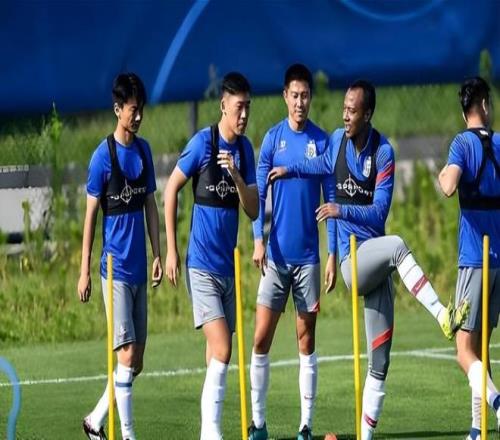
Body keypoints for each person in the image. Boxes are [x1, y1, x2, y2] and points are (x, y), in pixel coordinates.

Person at [268, 79, 469, 439]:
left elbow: (378, 214)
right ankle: (442, 315)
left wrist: (340, 209)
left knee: (380, 361)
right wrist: (289, 169)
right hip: (353, 263)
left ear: (368, 114)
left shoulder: (384, 153)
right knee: (398, 246)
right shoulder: (337, 141)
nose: (345, 115)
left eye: (352, 110)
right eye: (344, 108)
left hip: (377, 263)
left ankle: (364, 436)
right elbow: (319, 163)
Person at [164, 72, 258, 440]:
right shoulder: (203, 143)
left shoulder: (245, 151)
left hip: (227, 270)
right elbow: (170, 190)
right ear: (223, 105)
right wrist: (172, 251)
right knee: (223, 348)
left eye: (248, 107)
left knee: (214, 354)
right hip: (200, 266)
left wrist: (236, 176)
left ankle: (208, 429)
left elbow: (252, 209)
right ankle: (212, 433)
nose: (244, 114)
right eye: (238, 107)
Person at [247, 64, 336, 440]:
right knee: (260, 339)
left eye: (305, 96)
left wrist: (332, 253)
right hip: (276, 258)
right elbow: (257, 195)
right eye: (294, 95)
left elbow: (331, 198)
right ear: (285, 96)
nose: (300, 102)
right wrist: (258, 239)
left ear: (310, 98)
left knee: (306, 340)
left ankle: (305, 426)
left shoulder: (322, 141)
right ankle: (259, 424)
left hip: (308, 260)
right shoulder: (272, 139)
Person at [78, 73, 162, 440]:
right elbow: (90, 218)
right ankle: (128, 435)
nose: (138, 116)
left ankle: (94, 421)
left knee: (135, 362)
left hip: (140, 269)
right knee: (125, 357)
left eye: (141, 109)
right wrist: (84, 271)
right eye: (132, 110)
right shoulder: (103, 157)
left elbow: (151, 206)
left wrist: (158, 253)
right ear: (117, 110)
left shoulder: (144, 151)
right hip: (114, 272)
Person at [438, 76, 500, 440]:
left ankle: (496, 402)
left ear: (465, 112)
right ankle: (478, 429)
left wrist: (442, 174)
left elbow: (448, 187)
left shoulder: (462, 143)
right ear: (486, 105)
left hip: (475, 258)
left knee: (464, 350)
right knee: (481, 349)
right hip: (499, 260)